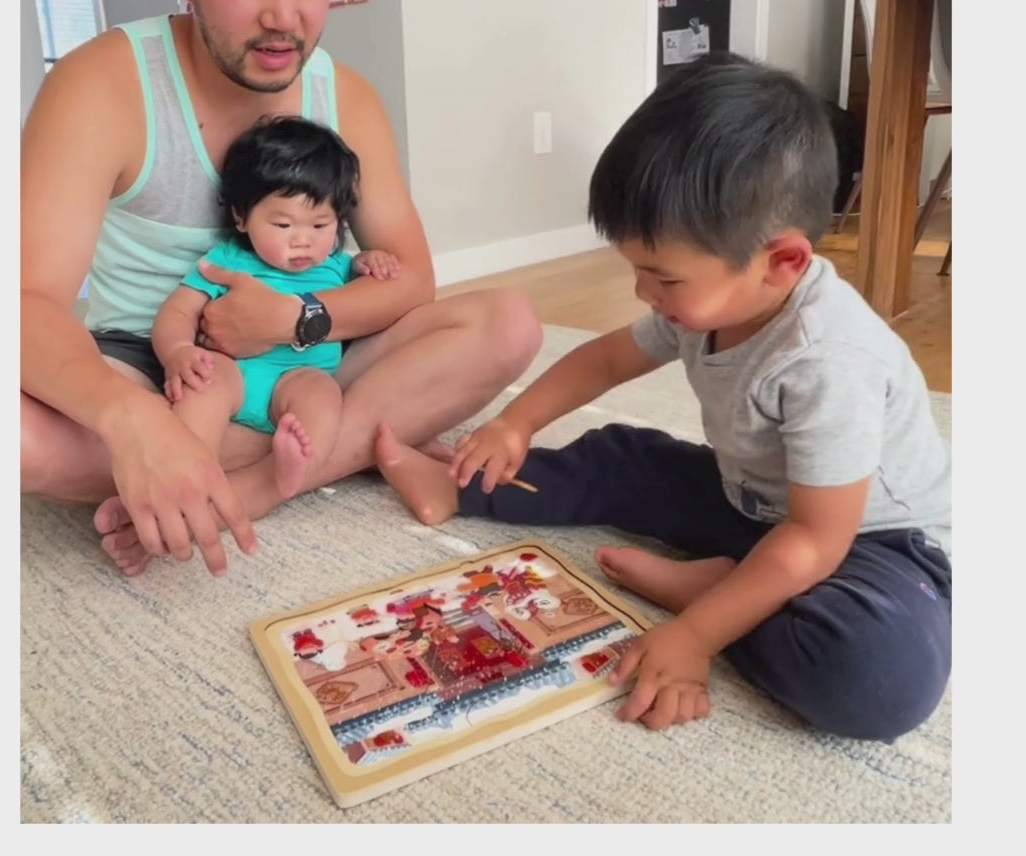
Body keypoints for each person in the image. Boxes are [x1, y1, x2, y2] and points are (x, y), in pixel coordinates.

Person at [20, 0, 541, 579]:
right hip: (155, 367)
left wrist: (301, 318)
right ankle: (317, 447)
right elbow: (23, 303)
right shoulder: (101, 85)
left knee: (510, 325)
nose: (283, 17)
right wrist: (132, 421)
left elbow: (413, 277)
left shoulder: (347, 99)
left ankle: (249, 475)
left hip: (311, 358)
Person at [373, 52, 952, 742]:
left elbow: (815, 540)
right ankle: (460, 487)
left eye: (664, 279)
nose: (647, 295)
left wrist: (695, 636)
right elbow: (608, 357)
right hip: (755, 502)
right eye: (637, 271)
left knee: (876, 680)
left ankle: (719, 592)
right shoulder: (707, 305)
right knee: (621, 459)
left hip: (869, 545)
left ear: (783, 263)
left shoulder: (830, 360)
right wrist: (513, 422)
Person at [154, 115, 400, 507]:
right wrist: (178, 352)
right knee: (202, 387)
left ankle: (297, 465)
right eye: (283, 224)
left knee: (324, 397)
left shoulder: (337, 265)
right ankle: (189, 471)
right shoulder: (227, 260)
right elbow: (178, 311)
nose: (303, 241)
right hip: (236, 374)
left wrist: (373, 261)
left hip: (298, 379)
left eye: (321, 225)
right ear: (241, 216)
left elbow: (376, 294)